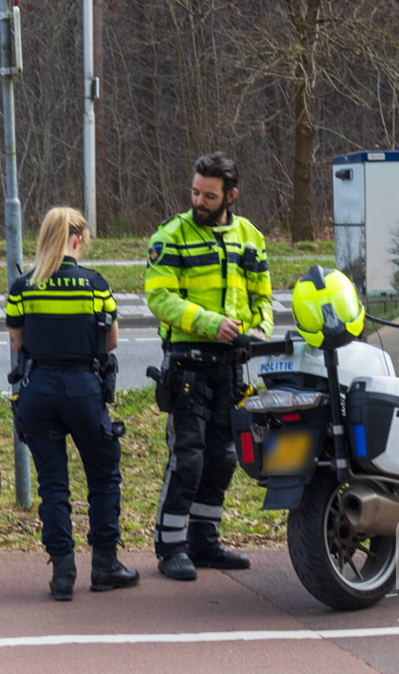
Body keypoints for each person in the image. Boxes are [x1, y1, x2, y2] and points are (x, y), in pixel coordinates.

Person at [145, 152, 274, 580]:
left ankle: (205, 540)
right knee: (189, 458)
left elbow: (263, 298)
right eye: (195, 192)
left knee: (223, 458)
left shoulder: (250, 237)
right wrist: (210, 322)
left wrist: (259, 329)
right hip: (188, 363)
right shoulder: (171, 235)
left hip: (232, 364)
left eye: (209, 195)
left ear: (230, 196)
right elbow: (159, 298)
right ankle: (170, 544)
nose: (199, 200)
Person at [6, 207, 139, 601]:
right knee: (102, 477)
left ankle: (62, 575)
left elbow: (17, 343)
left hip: (38, 388)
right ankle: (104, 566)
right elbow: (110, 341)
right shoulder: (95, 284)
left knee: (53, 486)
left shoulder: (22, 286)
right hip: (83, 388)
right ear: (77, 239)